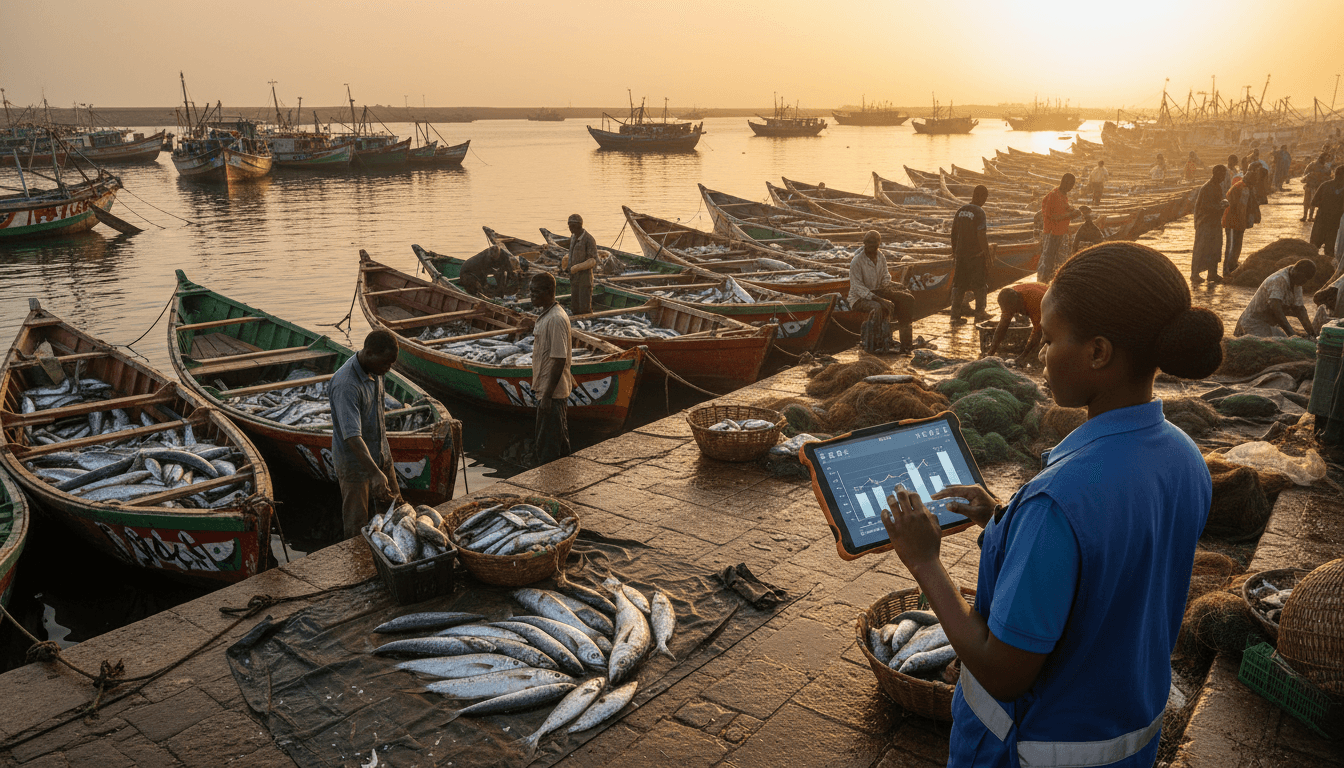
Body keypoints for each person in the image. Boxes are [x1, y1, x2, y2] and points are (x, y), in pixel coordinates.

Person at [881, 241, 1222, 768]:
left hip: (1030, 751)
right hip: (1126, 740)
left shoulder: (1057, 502)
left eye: (1051, 336)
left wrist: (925, 562)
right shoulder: (1184, 456)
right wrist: (1000, 517)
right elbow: (1110, 564)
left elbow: (1002, 671)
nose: (1040, 349)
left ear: (1098, 353)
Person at [331, 330, 401, 539]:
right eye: (385, 364)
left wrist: (382, 464)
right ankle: (356, 564)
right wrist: (374, 473)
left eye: (391, 364)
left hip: (380, 454)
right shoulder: (346, 384)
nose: (387, 370)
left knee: (395, 512)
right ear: (369, 353)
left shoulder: (376, 370)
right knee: (357, 525)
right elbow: (352, 436)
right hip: (355, 464)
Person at [519, 272, 576, 464]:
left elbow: (559, 359)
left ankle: (550, 482)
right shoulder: (547, 315)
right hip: (546, 390)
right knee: (558, 438)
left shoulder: (556, 319)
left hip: (552, 393)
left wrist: (547, 397)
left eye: (535, 292)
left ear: (548, 291)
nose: (531, 296)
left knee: (548, 445)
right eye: (530, 291)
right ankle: (564, 474)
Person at [849, 230, 915, 351]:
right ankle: (877, 344)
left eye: (876, 242)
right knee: (878, 307)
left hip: (878, 292)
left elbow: (885, 278)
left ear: (879, 243)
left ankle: (906, 344)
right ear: (864, 243)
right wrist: (882, 300)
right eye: (870, 242)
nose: (873, 245)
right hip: (860, 298)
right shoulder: (857, 262)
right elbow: (858, 288)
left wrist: (897, 286)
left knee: (907, 299)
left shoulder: (881, 256)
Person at [1234, 259, 1318, 338]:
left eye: (1306, 280)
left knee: (1288, 342)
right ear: (1296, 271)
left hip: (1268, 324)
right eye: (1303, 278)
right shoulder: (1279, 279)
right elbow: (1275, 308)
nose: (1304, 282)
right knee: (1282, 344)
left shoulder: (1297, 281)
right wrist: (1291, 333)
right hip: (1252, 323)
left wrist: (1312, 334)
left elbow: (1300, 310)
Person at [950, 185, 995, 325]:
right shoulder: (980, 212)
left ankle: (954, 316)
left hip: (961, 255)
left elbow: (953, 233)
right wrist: (987, 256)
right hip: (975, 255)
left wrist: (954, 251)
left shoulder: (960, 210)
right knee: (980, 285)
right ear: (981, 196)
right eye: (985, 198)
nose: (985, 201)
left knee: (959, 285)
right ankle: (980, 313)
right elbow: (981, 235)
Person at [983, 282, 1047, 365]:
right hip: (1036, 297)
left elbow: (1038, 332)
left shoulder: (1035, 302)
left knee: (1047, 335)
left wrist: (1022, 357)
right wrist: (991, 352)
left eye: (1015, 310)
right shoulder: (1009, 297)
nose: (1013, 313)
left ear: (1019, 302)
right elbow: (1003, 325)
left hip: (1055, 303)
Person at [1191, 165, 1229, 284]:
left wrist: (1223, 202)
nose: (1223, 178)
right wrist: (1220, 206)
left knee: (1215, 247)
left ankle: (1212, 273)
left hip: (1214, 222)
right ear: (1216, 174)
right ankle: (1194, 274)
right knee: (1201, 248)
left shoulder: (1217, 187)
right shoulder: (1207, 188)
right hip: (1205, 222)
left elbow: (1217, 200)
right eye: (1222, 175)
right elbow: (1205, 207)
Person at [1037, 173, 1077, 282]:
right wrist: (1070, 215)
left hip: (1060, 232)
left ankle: (1049, 281)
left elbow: (1066, 207)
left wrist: (1073, 211)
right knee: (1047, 259)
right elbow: (1051, 216)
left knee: (1056, 260)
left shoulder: (1063, 196)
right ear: (1065, 182)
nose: (1071, 187)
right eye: (1071, 184)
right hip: (1051, 232)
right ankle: (1041, 282)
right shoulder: (1053, 195)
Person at [563, 213, 598, 315]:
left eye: (572, 226)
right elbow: (571, 254)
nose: (570, 228)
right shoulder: (573, 237)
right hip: (574, 277)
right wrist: (567, 268)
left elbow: (593, 260)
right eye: (569, 226)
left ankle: (586, 319)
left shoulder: (589, 239)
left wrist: (577, 267)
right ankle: (576, 319)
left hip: (585, 277)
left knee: (584, 304)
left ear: (579, 225)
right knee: (574, 303)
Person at [1222, 168, 1254, 275]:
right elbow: (1240, 207)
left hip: (1235, 219)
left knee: (1236, 243)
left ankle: (1233, 263)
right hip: (1233, 220)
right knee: (1232, 245)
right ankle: (1228, 268)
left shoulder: (1241, 186)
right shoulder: (1243, 188)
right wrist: (1243, 222)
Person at [1309, 166, 1344, 260]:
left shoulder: (1325, 185)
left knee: (1313, 248)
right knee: (1331, 251)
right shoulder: (1325, 185)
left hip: (1321, 220)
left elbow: (1314, 202)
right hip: (1336, 224)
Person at [1302, 152, 1331, 222]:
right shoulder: (1312, 165)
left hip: (1319, 186)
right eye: (1324, 159)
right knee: (1306, 201)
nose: (1325, 161)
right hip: (1310, 185)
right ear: (1320, 158)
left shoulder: (1326, 167)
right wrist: (1312, 175)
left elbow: (1329, 176)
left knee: (1314, 201)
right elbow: (1305, 174)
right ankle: (1305, 216)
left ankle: (1310, 217)